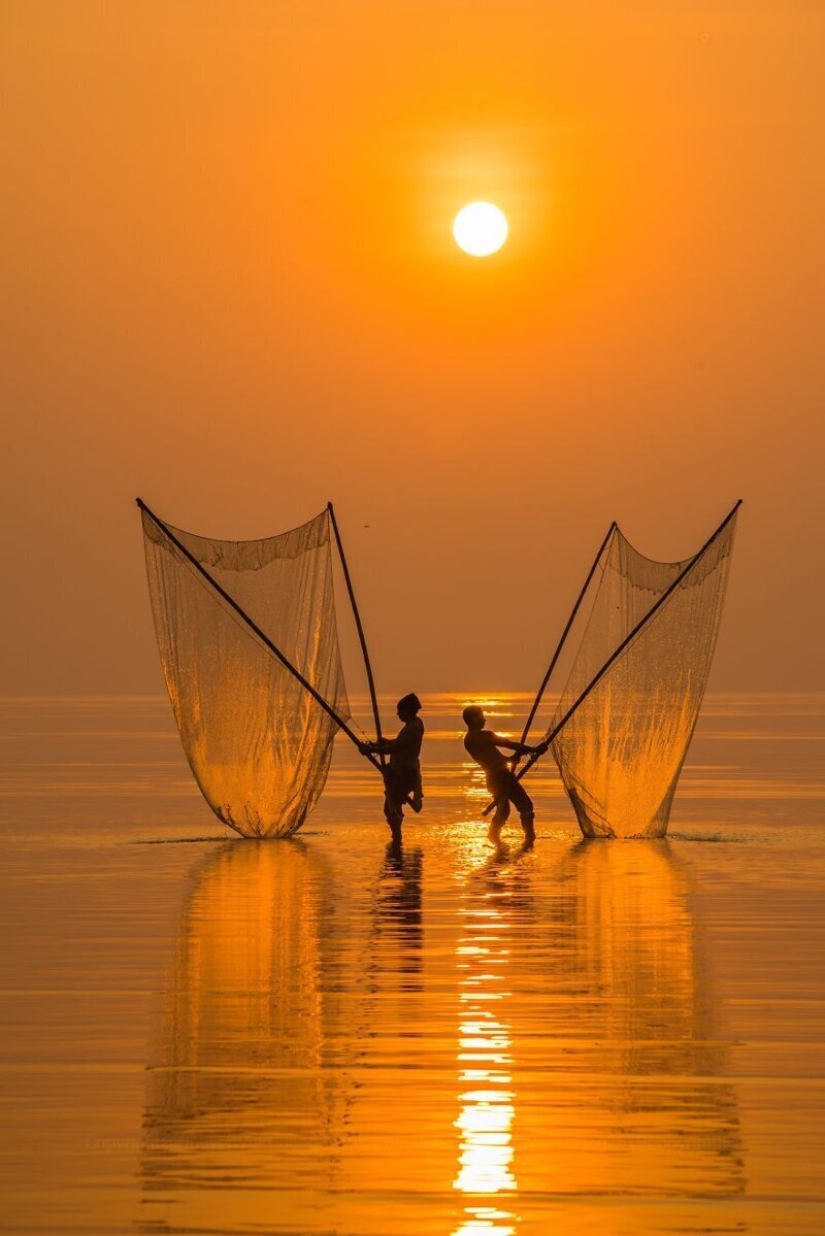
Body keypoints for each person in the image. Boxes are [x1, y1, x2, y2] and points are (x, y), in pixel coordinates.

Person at [462, 704, 547, 848]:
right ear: (473, 720)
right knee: (525, 805)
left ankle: (494, 836)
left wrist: (512, 758)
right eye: (481, 717)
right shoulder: (484, 736)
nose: (485, 720)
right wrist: (534, 750)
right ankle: (530, 838)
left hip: (492, 778)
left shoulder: (468, 740)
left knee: (503, 810)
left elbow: (493, 757)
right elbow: (509, 744)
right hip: (502, 777)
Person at [360, 694, 424, 842]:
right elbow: (399, 744)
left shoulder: (413, 727)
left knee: (390, 809)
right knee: (393, 806)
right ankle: (397, 837)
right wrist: (384, 743)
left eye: (400, 711)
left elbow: (397, 748)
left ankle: (397, 838)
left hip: (405, 773)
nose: (398, 714)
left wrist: (371, 750)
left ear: (407, 711)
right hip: (402, 771)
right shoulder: (413, 725)